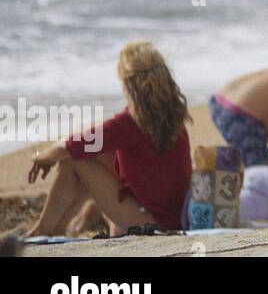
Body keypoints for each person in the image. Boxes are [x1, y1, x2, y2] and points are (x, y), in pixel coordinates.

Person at [25, 41, 192, 237]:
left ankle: (43, 230)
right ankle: (56, 229)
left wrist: (40, 157)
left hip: (153, 224)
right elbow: (89, 142)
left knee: (74, 159)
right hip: (173, 218)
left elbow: (71, 147)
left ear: (130, 85)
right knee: (97, 152)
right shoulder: (173, 117)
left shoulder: (132, 123)